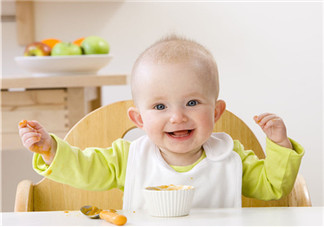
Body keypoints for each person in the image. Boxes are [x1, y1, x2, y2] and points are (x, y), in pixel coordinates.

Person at [18, 35, 304, 209]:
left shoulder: (230, 158)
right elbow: (85, 168)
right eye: (159, 106)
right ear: (139, 119)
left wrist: (279, 145)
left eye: (192, 103)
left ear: (216, 112)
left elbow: (273, 186)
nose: (177, 116)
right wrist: (51, 150)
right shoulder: (129, 159)